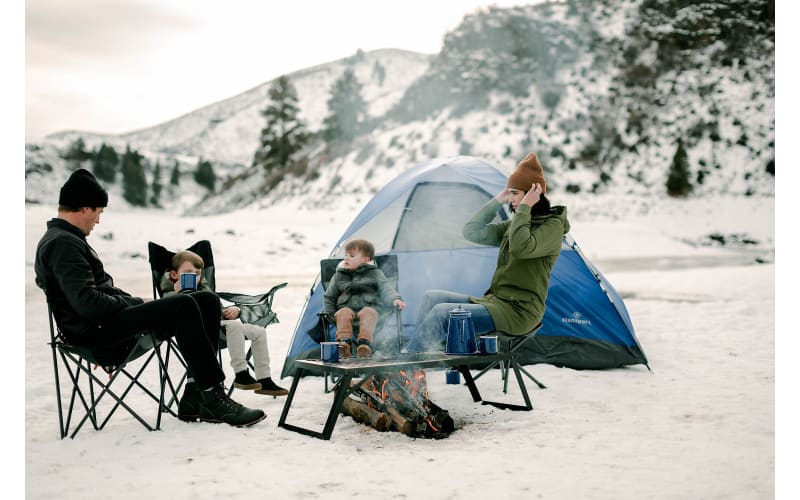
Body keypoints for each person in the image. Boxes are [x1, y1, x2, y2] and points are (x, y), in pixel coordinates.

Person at [34, 168, 266, 427]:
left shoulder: (68, 240)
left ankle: (194, 395)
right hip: (95, 335)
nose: (98, 220)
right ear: (85, 208)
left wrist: (137, 303)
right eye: (99, 212)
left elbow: (97, 295)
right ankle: (213, 395)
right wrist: (135, 304)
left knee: (206, 300)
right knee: (184, 305)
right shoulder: (62, 244)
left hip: (103, 324)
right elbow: (88, 303)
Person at [407, 152, 570, 351]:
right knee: (431, 297)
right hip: (496, 302)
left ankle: (407, 367)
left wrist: (525, 207)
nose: (512, 200)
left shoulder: (552, 227)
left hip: (519, 311)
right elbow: (471, 231)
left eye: (516, 193)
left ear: (532, 194)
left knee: (442, 313)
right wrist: (497, 200)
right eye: (510, 193)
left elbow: (521, 248)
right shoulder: (514, 225)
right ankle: (418, 360)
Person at [160, 250, 288, 396]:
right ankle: (241, 374)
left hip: (223, 327)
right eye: (188, 272)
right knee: (235, 325)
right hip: (201, 333)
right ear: (174, 275)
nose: (194, 277)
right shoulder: (169, 293)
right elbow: (172, 313)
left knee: (259, 332)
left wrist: (234, 310)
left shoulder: (203, 288)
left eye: (197, 273)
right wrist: (179, 294)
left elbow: (216, 309)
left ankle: (264, 379)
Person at [323, 239, 406, 358]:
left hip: (370, 313)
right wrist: (329, 313)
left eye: (351, 256)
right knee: (343, 312)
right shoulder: (338, 276)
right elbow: (329, 296)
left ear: (365, 260)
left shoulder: (376, 274)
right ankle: (344, 343)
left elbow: (386, 289)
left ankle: (364, 344)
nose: (346, 258)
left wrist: (395, 299)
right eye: (345, 255)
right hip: (345, 315)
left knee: (369, 312)